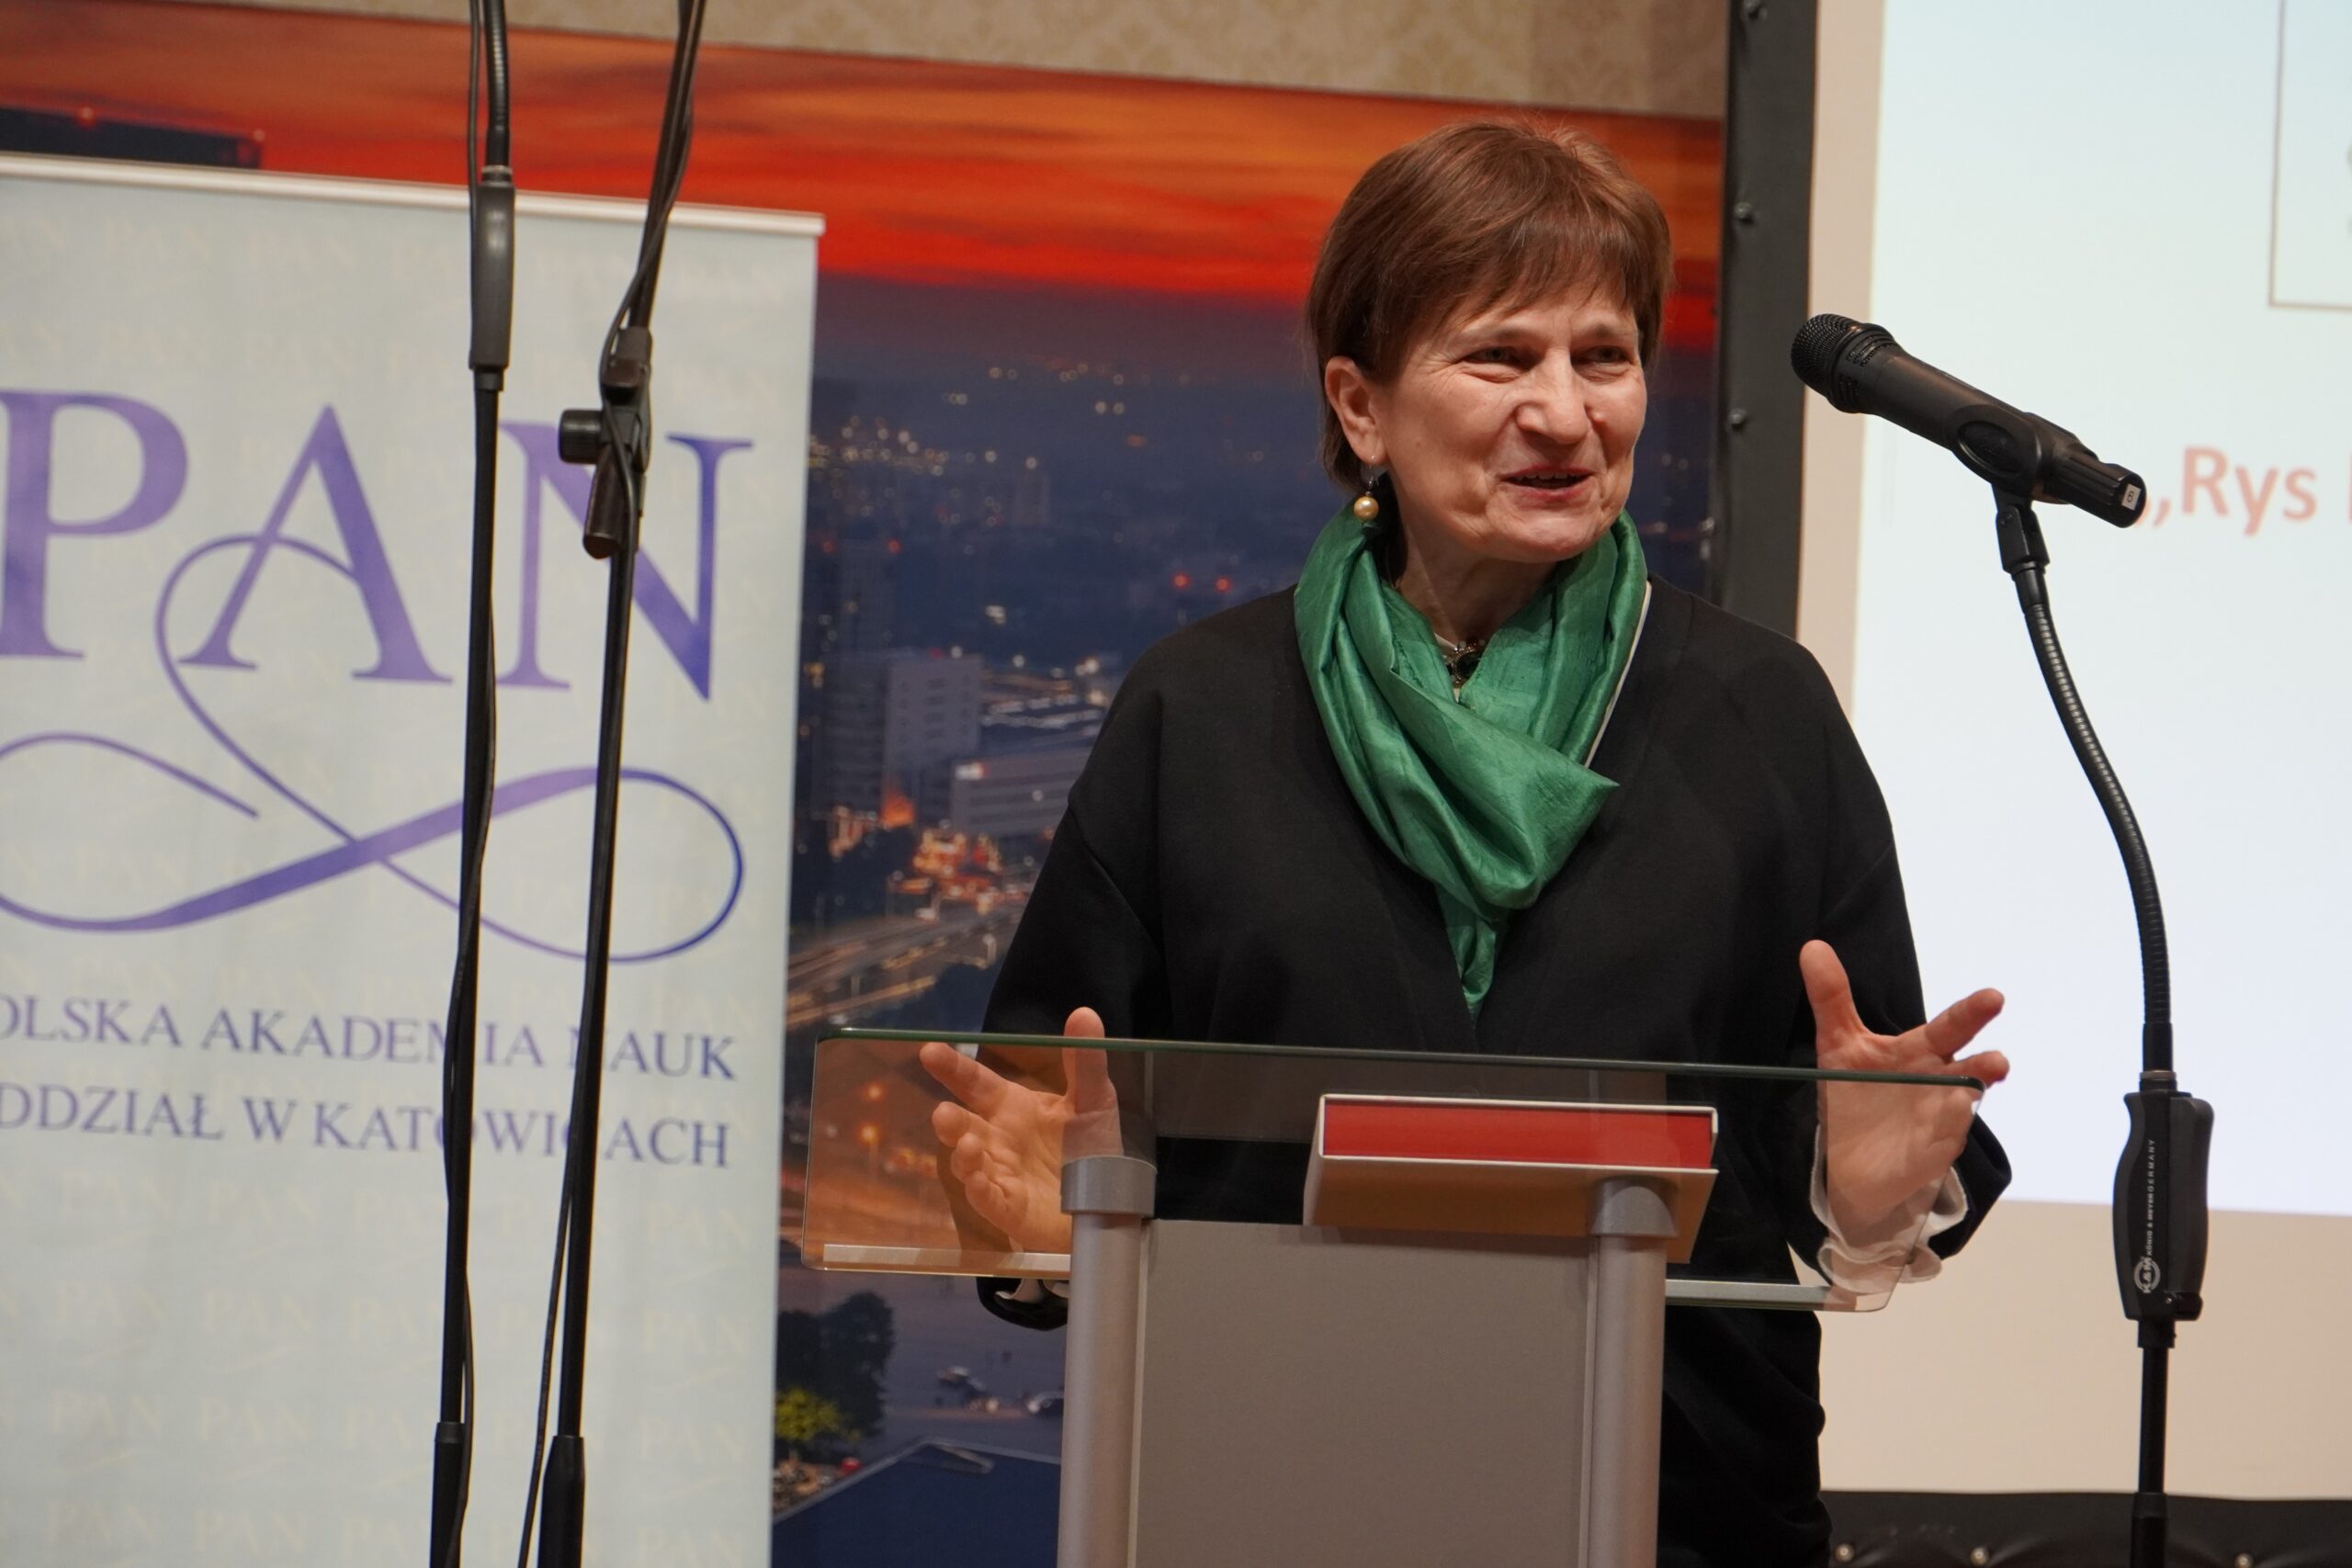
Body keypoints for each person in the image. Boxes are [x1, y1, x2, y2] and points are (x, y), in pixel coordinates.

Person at [920, 119, 2011, 1567]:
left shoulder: (1763, 711)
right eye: (1501, 357)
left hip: (1681, 1516)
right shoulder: (1201, 708)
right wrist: (1047, 1230)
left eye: (1604, 357)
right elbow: (1048, 1128)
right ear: (1361, 405)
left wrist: (1862, 1193)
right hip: (1264, 1499)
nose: (1564, 412)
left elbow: (1863, 1141)